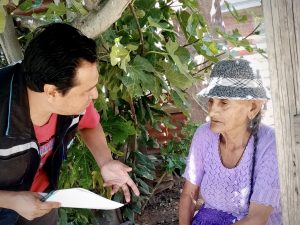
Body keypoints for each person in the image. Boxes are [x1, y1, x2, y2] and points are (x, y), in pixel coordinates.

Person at [0, 23, 140, 225]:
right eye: (87, 90)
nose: (95, 95)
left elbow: (90, 124)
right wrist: (11, 200)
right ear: (51, 92)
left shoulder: (72, 103)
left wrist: (105, 162)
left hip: (42, 200)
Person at [179, 59, 282, 225]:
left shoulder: (270, 144)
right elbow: (189, 195)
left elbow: (256, 219)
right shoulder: (204, 135)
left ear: (253, 107)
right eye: (211, 101)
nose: (211, 112)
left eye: (224, 102)